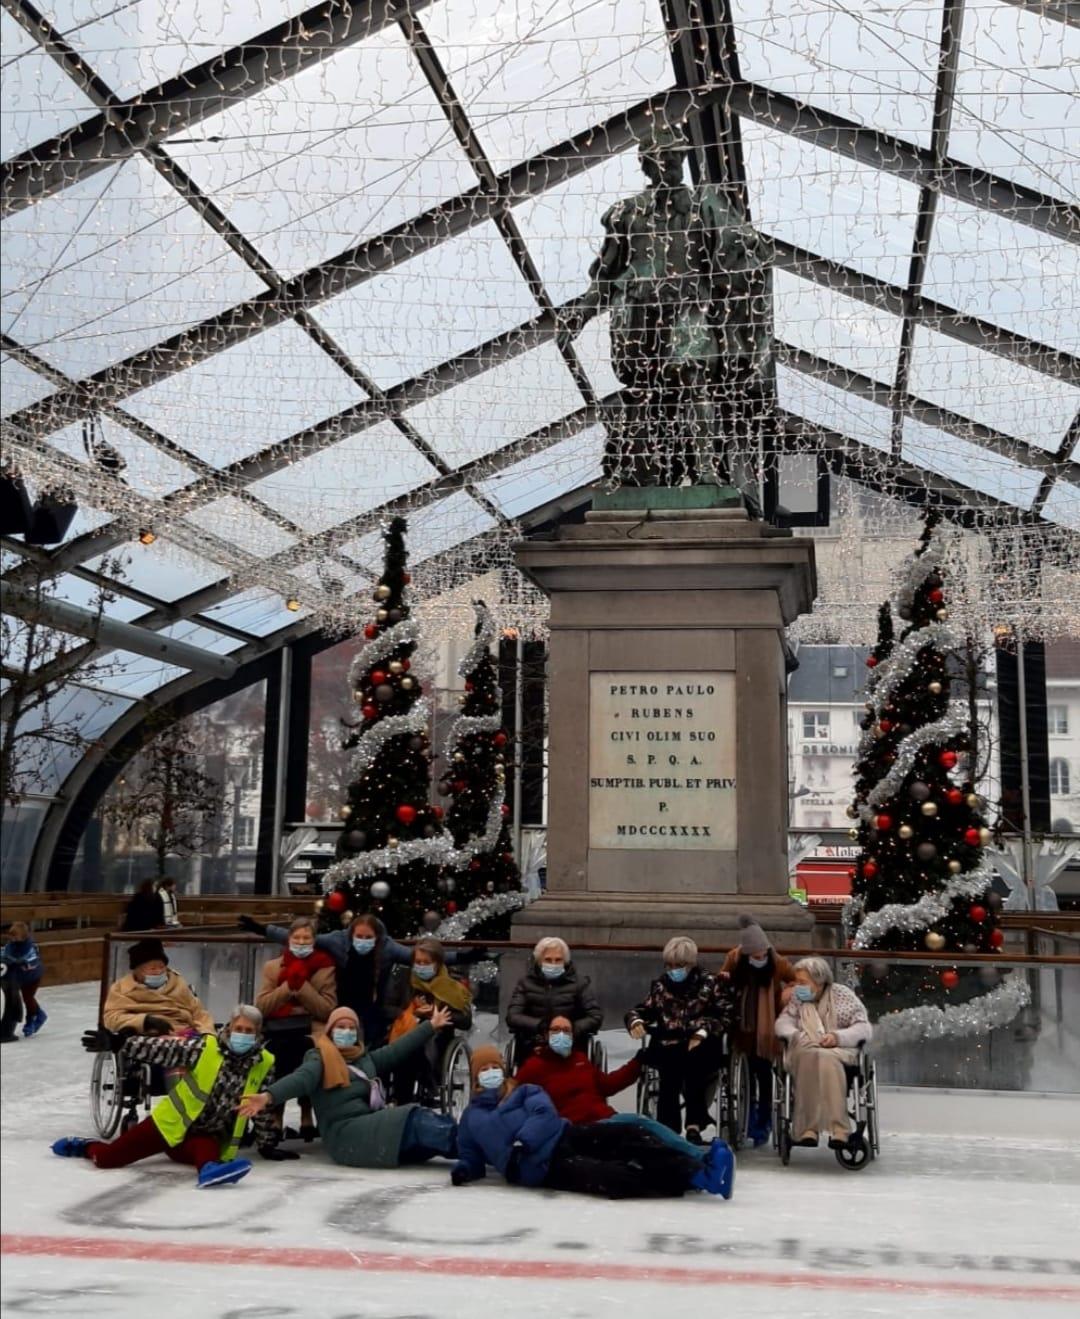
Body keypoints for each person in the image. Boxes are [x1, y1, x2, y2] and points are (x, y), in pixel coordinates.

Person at [51, 1005, 295, 1187]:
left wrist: (267, 1145)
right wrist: (119, 1044)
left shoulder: (264, 1062)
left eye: (248, 1031)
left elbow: (259, 1106)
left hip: (205, 1134)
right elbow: (163, 1049)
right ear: (229, 1029)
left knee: (207, 1147)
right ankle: (84, 1147)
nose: (242, 1035)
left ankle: (209, 1171)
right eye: (238, 1029)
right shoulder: (206, 1047)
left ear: (257, 1034)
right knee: (107, 1159)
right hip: (168, 1126)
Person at [451, 1046, 726, 1199]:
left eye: (494, 1068)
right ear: (475, 1076)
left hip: (564, 1134)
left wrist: (526, 1137)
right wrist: (464, 1170)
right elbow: (470, 1153)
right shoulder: (472, 1118)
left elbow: (544, 1111)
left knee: (628, 1134)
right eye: (484, 1070)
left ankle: (701, 1169)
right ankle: (691, 1178)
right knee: (611, 1177)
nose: (490, 1074)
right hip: (540, 1168)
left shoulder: (523, 1090)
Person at [516, 1013, 735, 1196]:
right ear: (546, 1035)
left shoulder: (579, 1060)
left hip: (605, 1117)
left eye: (567, 1030)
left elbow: (608, 1085)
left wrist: (639, 1061)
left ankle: (698, 1172)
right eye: (556, 1031)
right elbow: (516, 1098)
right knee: (640, 1125)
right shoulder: (534, 1067)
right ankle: (701, 1159)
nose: (561, 1035)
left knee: (644, 1142)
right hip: (575, 1127)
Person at [238, 1004, 458, 1168]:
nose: (346, 1031)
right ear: (331, 1031)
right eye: (340, 1027)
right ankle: (475, 1144)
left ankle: (476, 1144)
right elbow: (300, 1079)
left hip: (369, 1126)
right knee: (416, 1120)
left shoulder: (363, 1059)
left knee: (427, 1129)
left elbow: (397, 1049)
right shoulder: (319, 1059)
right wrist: (268, 1096)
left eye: (351, 1027)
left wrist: (430, 1026)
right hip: (346, 1134)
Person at [625, 935, 734, 1143]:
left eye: (679, 965)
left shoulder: (710, 983)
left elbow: (726, 1015)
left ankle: (694, 1124)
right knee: (669, 1069)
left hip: (701, 1040)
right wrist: (634, 1020)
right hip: (669, 1042)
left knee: (694, 1063)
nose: (673, 970)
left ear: (691, 964)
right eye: (670, 965)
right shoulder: (660, 986)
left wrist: (703, 1031)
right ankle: (668, 1127)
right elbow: (643, 1009)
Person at [774, 956, 872, 1149]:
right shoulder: (798, 999)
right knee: (811, 1055)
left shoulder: (842, 996)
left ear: (818, 983)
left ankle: (839, 1129)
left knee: (824, 1057)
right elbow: (783, 1022)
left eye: (802, 983)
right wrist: (795, 1034)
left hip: (838, 1050)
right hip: (806, 1050)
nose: (797, 987)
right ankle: (808, 1130)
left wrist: (837, 1037)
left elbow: (863, 1028)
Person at [718, 914, 797, 1145]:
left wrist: (785, 997)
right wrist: (723, 979)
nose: (760, 958)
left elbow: (795, 981)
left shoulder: (778, 962)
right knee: (745, 1077)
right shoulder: (734, 959)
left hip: (766, 1031)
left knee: (763, 1076)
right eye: (755, 956)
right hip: (741, 1026)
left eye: (762, 954)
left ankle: (762, 1123)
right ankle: (745, 1117)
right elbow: (721, 984)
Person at [255, 916, 337, 1139]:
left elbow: (326, 1009)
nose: (301, 942)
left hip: (311, 1029)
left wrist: (301, 987)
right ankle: (276, 1114)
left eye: (306, 938)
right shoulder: (273, 967)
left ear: (314, 940)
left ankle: (306, 1113)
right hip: (278, 1029)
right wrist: (287, 987)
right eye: (297, 937)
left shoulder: (325, 966)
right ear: (289, 939)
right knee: (278, 1054)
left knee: (306, 1052)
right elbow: (262, 1006)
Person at [386, 937, 472, 1104]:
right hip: (405, 1030)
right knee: (404, 1048)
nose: (421, 966)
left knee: (415, 1050)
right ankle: (399, 1099)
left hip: (437, 1036)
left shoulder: (452, 986)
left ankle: (415, 1094)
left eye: (427, 962)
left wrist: (436, 1014)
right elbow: (387, 1007)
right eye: (418, 962)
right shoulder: (404, 980)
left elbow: (465, 1020)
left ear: (438, 963)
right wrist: (412, 1013)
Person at [506, 937, 602, 1062]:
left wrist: (570, 1029)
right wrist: (541, 1026)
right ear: (539, 961)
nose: (553, 964)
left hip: (572, 1045)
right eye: (548, 960)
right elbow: (513, 1016)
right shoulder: (525, 984)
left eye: (558, 960)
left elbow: (595, 1016)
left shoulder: (580, 984)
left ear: (565, 962)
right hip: (534, 1044)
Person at [103, 937, 214, 1036]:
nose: (158, 972)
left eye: (162, 967)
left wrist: (207, 1032)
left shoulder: (178, 983)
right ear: (137, 971)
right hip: (145, 1035)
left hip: (184, 1033)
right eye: (152, 969)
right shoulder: (122, 988)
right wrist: (146, 1021)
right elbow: (112, 1018)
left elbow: (199, 1013)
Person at [1, 921, 46, 1038]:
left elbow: (33, 959)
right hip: (19, 977)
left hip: (33, 977)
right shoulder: (10, 945)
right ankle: (36, 1015)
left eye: (15, 936)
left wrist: (23, 962)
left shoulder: (31, 946)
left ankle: (35, 1018)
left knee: (28, 998)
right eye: (11, 936)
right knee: (20, 998)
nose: (12, 938)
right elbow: (4, 953)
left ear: (23, 935)